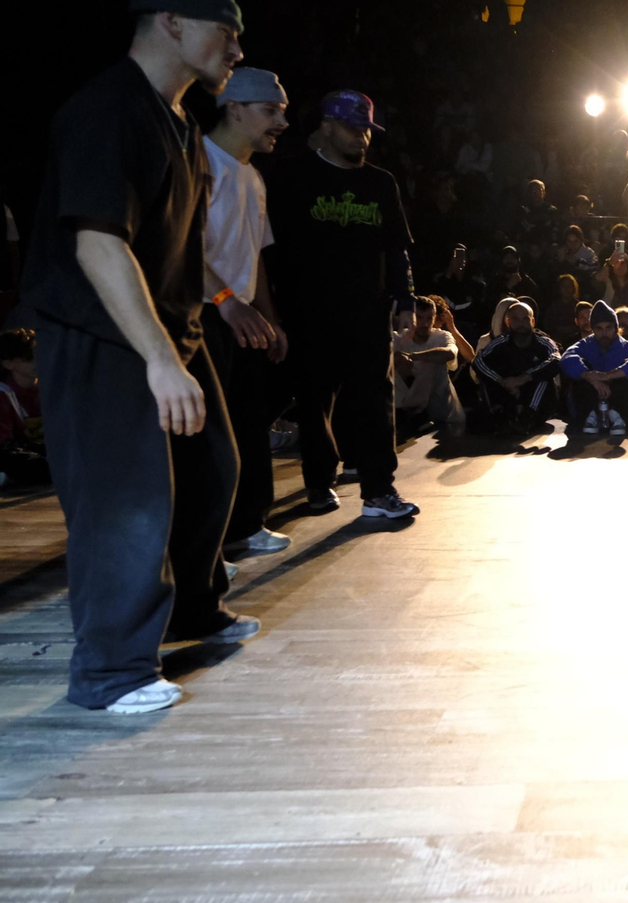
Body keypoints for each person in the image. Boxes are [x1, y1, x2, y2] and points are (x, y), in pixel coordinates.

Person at [16, 0, 255, 714]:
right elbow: (98, 242)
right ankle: (109, 669)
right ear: (173, 22)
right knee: (125, 499)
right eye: (228, 31)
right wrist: (156, 356)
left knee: (215, 473)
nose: (238, 48)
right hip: (103, 333)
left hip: (167, 329)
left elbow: (181, 247)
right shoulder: (106, 110)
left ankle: (192, 611)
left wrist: (208, 317)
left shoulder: (179, 123)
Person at [266, 88, 421, 518]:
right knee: (315, 402)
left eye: (367, 130)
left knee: (375, 399)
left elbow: (396, 249)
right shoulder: (293, 178)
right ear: (327, 127)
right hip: (309, 313)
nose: (362, 137)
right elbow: (271, 249)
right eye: (353, 128)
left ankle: (378, 491)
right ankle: (319, 481)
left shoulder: (380, 183)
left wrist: (406, 299)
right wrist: (274, 308)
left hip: (368, 312)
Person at [199, 66, 292, 557]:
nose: (281, 121)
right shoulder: (198, 161)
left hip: (241, 316)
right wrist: (225, 303)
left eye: (283, 111)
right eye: (270, 110)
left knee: (247, 426)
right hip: (203, 314)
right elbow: (179, 249)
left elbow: (255, 252)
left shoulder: (253, 176)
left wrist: (268, 317)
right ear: (233, 107)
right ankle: (201, 550)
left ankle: (245, 526)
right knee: (205, 437)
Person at [559, 300, 628, 436]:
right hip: (591, 397)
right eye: (599, 328)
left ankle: (616, 415)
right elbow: (566, 358)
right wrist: (592, 379)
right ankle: (591, 415)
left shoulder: (624, 345)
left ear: (615, 328)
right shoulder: (586, 344)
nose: (604, 333)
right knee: (579, 367)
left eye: (608, 327)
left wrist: (608, 376)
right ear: (593, 329)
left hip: (618, 398)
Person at [474, 299, 562, 430]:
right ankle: (501, 415)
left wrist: (523, 378)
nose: (521, 324)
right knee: (489, 369)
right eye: (515, 319)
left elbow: (556, 359)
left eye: (525, 319)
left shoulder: (544, 342)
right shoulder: (500, 343)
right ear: (508, 322)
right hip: (508, 393)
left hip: (536, 402)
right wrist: (501, 381)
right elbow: (478, 362)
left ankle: (528, 415)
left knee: (545, 374)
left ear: (532, 321)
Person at [392, 295, 466, 433]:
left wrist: (413, 357)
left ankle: (416, 412)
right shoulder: (399, 337)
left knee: (431, 361)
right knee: (392, 360)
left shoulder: (441, 336)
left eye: (429, 318)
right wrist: (398, 358)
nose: (425, 324)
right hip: (406, 406)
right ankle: (407, 412)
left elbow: (450, 353)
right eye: (420, 318)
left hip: (442, 408)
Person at [0, 328, 48, 488]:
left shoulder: (49, 388)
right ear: (8, 363)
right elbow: (4, 445)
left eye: (39, 354)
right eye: (28, 358)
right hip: (16, 451)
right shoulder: (4, 393)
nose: (37, 361)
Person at [599, 249, 628, 314]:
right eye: (616, 263)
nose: (619, 266)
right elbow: (596, 280)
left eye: (623, 263)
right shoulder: (607, 283)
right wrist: (609, 263)